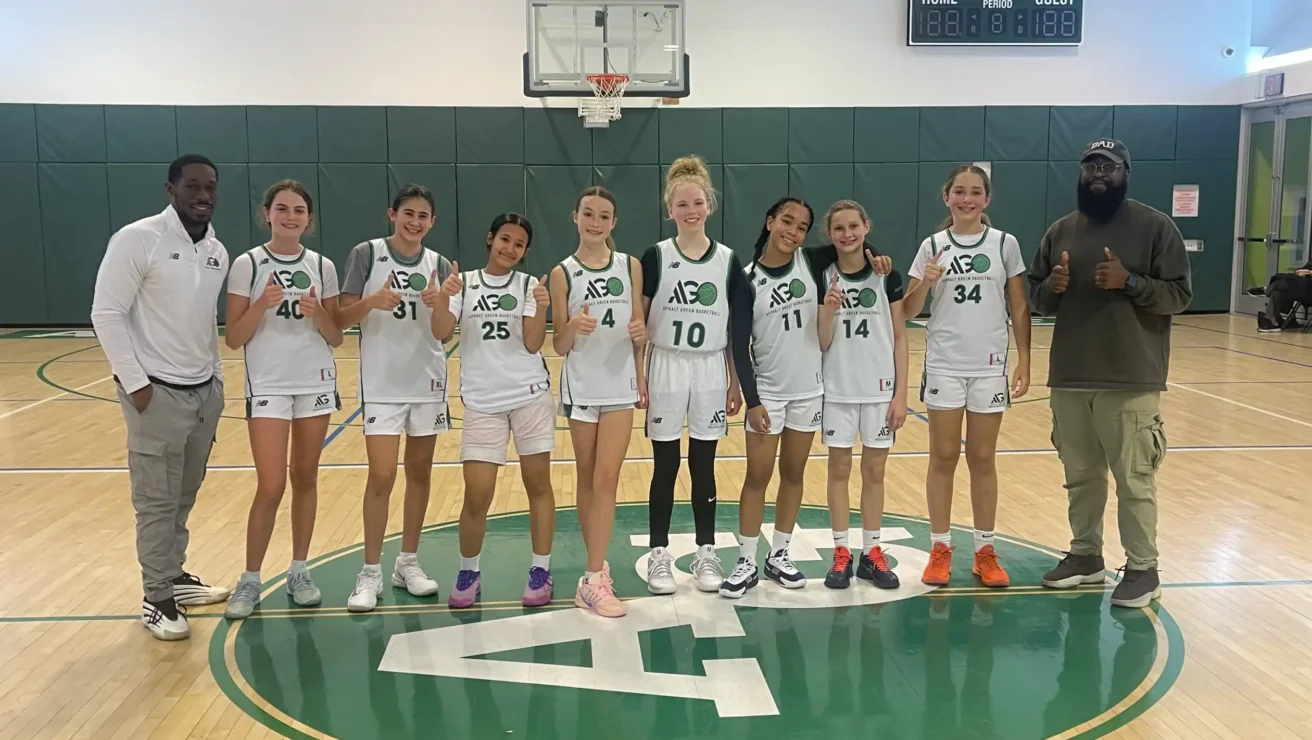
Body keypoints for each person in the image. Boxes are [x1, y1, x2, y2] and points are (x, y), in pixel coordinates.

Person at [1027, 138, 1192, 609]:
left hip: (1130, 376)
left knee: (1134, 478)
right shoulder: (1062, 230)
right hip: (1071, 375)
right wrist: (1052, 290)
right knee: (1080, 475)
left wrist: (1131, 282)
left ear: (1125, 171)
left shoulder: (1155, 226)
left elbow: (1180, 295)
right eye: (1090, 167)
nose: (1098, 174)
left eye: (1108, 167)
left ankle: (1143, 567)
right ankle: (1086, 556)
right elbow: (1036, 295)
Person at [717, 197, 893, 598]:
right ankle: (745, 559)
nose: (792, 231)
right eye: (786, 222)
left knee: (793, 474)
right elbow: (738, 344)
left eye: (801, 226)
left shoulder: (811, 262)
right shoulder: (746, 279)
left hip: (809, 392)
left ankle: (779, 554)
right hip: (769, 394)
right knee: (757, 477)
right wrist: (753, 398)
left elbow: (855, 244)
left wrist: (879, 258)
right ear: (770, 221)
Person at [90, 153, 232, 641]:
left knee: (183, 495)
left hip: (202, 395)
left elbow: (204, 322)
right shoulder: (137, 239)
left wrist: (215, 380)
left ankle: (173, 575)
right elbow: (106, 313)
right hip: (155, 394)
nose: (202, 196)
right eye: (192, 186)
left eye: (210, 187)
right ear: (171, 189)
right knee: (155, 500)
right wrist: (137, 385)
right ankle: (156, 597)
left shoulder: (217, 250)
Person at [901, 165, 1031, 590]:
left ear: (987, 200)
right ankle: (940, 548)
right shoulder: (932, 246)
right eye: (960, 191)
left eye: (976, 192)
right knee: (942, 456)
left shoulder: (1004, 244)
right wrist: (926, 283)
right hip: (944, 365)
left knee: (982, 458)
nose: (967, 199)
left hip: (989, 366)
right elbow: (908, 310)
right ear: (947, 197)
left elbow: (1018, 305)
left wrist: (1025, 358)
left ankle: (985, 551)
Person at [222, 180, 344, 619]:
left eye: (299, 210)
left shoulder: (321, 265)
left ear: (309, 220)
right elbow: (234, 338)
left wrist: (321, 315)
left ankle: (299, 570)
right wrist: (261, 304)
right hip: (269, 384)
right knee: (271, 485)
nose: (291, 216)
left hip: (314, 382)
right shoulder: (248, 264)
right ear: (267, 213)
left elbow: (337, 338)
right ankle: (250, 579)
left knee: (306, 478)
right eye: (282, 208)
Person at [336, 184, 454, 613]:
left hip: (428, 381)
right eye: (408, 213)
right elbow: (341, 318)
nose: (415, 221)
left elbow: (444, 332)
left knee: (419, 472)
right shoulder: (366, 254)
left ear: (432, 222)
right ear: (392, 214)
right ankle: (370, 571)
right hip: (383, 383)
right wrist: (372, 301)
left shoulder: (438, 263)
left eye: (424, 215)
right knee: (382, 475)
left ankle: (408, 562)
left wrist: (441, 302)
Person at [641, 155, 755, 595]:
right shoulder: (656, 257)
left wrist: (733, 379)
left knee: (705, 466)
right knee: (664, 465)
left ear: (710, 205)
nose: (691, 210)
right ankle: (659, 556)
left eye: (698, 203)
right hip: (666, 363)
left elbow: (732, 330)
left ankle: (706, 551)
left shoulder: (728, 260)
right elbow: (640, 324)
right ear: (670, 210)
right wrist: (641, 376)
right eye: (682, 204)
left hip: (709, 365)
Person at [433, 213, 557, 609]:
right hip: (483, 401)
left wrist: (540, 307)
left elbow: (534, 344)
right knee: (477, 493)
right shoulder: (463, 282)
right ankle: (469, 570)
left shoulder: (527, 286)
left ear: (524, 252)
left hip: (529, 394)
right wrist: (441, 296)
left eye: (519, 244)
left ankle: (541, 570)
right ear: (490, 239)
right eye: (505, 239)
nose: (511, 248)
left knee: (538, 485)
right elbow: (441, 332)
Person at [549, 187, 645, 617]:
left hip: (620, 384)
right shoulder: (561, 273)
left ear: (613, 223)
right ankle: (595, 570)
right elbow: (558, 345)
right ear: (575, 216)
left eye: (603, 216)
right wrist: (572, 324)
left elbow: (639, 327)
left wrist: (642, 366)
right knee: (587, 479)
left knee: (608, 479)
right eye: (587, 213)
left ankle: (591, 579)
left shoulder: (631, 266)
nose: (595, 222)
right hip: (582, 385)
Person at [817, 201, 909, 591]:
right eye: (839, 228)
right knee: (838, 471)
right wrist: (829, 310)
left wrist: (901, 393)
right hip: (837, 390)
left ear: (866, 226)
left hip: (879, 392)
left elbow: (901, 337)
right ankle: (841, 552)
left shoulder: (886, 275)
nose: (848, 234)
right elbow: (821, 341)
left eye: (854, 226)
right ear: (830, 235)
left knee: (874, 472)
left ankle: (872, 553)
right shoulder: (822, 276)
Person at [1252, 260, 1312, 332]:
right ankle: (1270, 320)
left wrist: (1310, 272)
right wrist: (1299, 272)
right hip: (1303, 285)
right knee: (1279, 284)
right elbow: (1304, 268)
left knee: (1286, 283)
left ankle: (1266, 290)